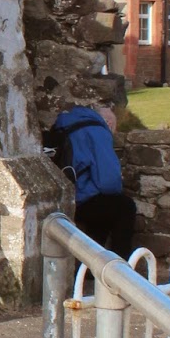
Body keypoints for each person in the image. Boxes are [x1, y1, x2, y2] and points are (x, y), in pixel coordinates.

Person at [47, 103, 137, 259]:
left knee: (103, 210)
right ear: (108, 123)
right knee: (125, 207)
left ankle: (90, 264)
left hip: (59, 197)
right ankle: (120, 266)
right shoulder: (97, 130)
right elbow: (109, 182)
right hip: (79, 200)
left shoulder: (63, 124)